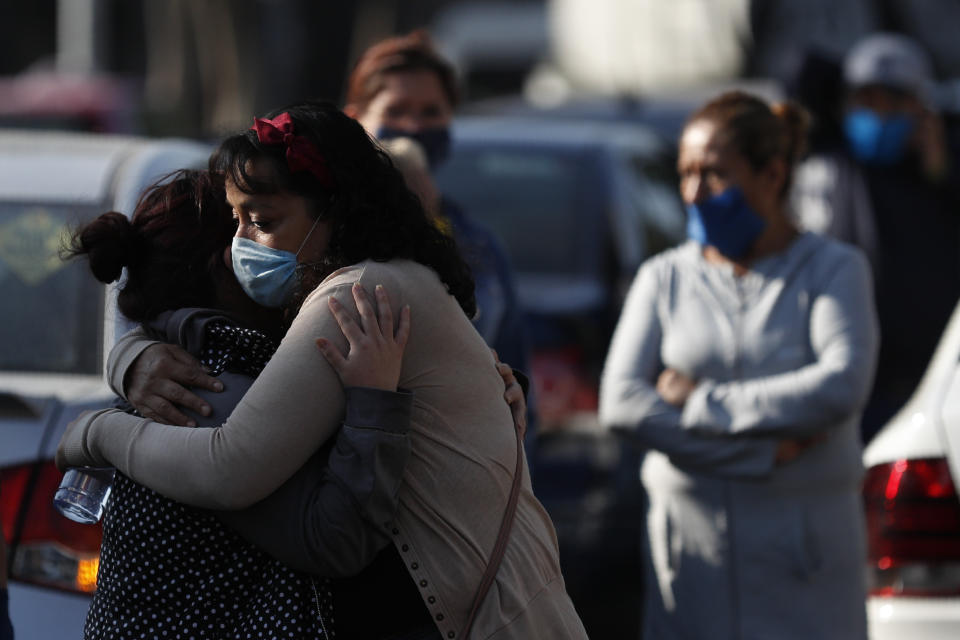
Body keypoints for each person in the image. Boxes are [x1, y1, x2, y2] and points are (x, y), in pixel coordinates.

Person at [58, 101, 587, 640]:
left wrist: (95, 433)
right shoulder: (396, 278)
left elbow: (232, 466)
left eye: (261, 222)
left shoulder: (352, 295)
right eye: (235, 222)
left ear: (335, 210)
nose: (237, 248)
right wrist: (131, 357)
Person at [62, 169, 414, 639]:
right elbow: (337, 541)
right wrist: (374, 405)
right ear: (231, 261)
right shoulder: (206, 387)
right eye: (257, 226)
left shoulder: (185, 360)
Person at [599, 91, 879, 639]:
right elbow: (623, 404)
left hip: (804, 566)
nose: (694, 193)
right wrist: (758, 451)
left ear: (772, 175)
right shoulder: (664, 278)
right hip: (693, 563)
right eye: (685, 174)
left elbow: (840, 385)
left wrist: (702, 401)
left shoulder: (833, 269)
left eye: (715, 175)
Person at [343, 30, 537, 446]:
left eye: (431, 111)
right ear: (355, 117)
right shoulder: (327, 233)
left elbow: (517, 377)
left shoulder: (479, 245)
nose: (413, 127)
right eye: (396, 110)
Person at [791, 32, 960, 442]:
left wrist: (942, 170)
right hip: (846, 372)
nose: (877, 114)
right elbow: (800, 81)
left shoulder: (940, 173)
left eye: (892, 101)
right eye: (866, 99)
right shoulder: (834, 158)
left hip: (924, 381)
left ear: (921, 109)